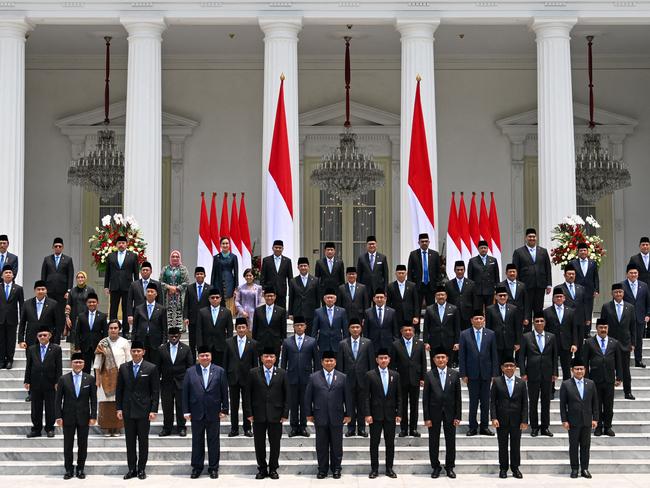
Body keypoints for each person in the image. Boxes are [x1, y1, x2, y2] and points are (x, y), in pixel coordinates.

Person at [182, 345, 229, 479]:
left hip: (214, 412)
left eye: (207, 355)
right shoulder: (190, 372)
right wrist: (186, 411)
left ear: (211, 356)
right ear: (198, 357)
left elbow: (224, 391)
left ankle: (213, 468)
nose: (204, 357)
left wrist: (225, 409)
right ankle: (197, 468)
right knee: (197, 440)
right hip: (196, 412)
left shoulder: (219, 371)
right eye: (202, 355)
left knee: (213, 441)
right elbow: (185, 392)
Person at [244, 347, 290, 480]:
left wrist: (285, 413)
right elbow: (247, 395)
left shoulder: (282, 373)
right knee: (259, 443)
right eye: (266, 356)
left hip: (276, 415)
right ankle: (262, 469)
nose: (269, 359)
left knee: (275, 443)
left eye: (271, 356)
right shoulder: (253, 373)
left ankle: (273, 468)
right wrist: (248, 413)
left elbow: (287, 395)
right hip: (258, 414)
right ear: (261, 358)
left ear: (275, 359)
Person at [116, 340, 160, 480]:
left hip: (144, 410)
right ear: (130, 352)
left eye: (138, 351)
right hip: (128, 409)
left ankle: (141, 469)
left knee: (143, 441)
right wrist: (119, 408)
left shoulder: (151, 368)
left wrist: (153, 410)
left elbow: (155, 391)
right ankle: (131, 469)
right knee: (129, 441)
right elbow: (119, 390)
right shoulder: (123, 368)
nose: (136, 353)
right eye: (133, 351)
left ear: (143, 352)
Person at [304, 350, 351, 479]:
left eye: (331, 360)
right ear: (322, 362)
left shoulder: (342, 377)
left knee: (337, 445)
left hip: (337, 416)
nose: (329, 363)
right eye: (326, 360)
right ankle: (322, 469)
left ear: (335, 362)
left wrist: (349, 414)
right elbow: (308, 397)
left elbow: (347, 397)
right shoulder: (314, 377)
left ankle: (336, 469)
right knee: (321, 445)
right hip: (320, 416)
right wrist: (308, 413)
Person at [55, 352, 97, 479]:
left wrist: (93, 416)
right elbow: (58, 400)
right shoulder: (63, 379)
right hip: (68, 417)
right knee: (68, 444)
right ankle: (68, 469)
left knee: (82, 444)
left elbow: (93, 399)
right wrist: (58, 416)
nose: (78, 364)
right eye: (75, 362)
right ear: (71, 364)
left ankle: (80, 468)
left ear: (84, 364)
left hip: (84, 417)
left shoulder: (89, 379)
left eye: (80, 362)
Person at [459, 309, 499, 436]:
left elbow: (494, 355)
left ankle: (484, 426)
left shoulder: (491, 334)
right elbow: (462, 355)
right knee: (473, 401)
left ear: (484, 320)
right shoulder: (465, 334)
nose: (478, 321)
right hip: (472, 374)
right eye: (476, 319)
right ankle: (472, 427)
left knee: (485, 402)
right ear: (471, 320)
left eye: (480, 319)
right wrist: (463, 374)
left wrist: (495, 374)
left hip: (486, 373)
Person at [423, 347, 461, 479]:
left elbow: (458, 397)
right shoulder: (429, 375)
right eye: (438, 357)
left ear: (447, 359)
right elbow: (426, 398)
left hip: (450, 414)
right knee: (433, 441)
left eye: (443, 357)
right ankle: (436, 467)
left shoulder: (455, 374)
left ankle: (450, 467)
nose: (440, 360)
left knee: (451, 441)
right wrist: (426, 417)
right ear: (433, 360)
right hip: (434, 414)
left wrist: (458, 416)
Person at [363, 348, 401, 479]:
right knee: (374, 443)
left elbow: (399, 396)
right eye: (381, 358)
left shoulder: (395, 375)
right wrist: (367, 414)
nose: (383, 360)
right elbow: (366, 397)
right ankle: (374, 469)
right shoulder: (370, 375)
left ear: (389, 360)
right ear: (377, 360)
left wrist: (399, 413)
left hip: (390, 415)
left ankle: (389, 468)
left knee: (390, 443)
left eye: (386, 358)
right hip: (375, 415)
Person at [19, 280, 60, 401]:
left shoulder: (53, 304)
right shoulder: (27, 304)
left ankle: (49, 391)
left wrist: (55, 341)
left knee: (48, 366)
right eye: (38, 289)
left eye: (43, 289)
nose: (41, 291)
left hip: (48, 340)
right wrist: (21, 339)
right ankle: (32, 392)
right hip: (31, 339)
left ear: (46, 290)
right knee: (32, 366)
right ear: (35, 290)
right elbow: (22, 323)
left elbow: (57, 324)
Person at [519, 312, 558, 437]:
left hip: (547, 374)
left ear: (545, 323)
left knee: (546, 402)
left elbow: (554, 356)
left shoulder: (551, 337)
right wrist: (523, 372)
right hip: (532, 374)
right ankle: (534, 427)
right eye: (537, 321)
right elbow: (521, 356)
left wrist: (555, 373)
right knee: (533, 402)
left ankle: (545, 427)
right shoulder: (526, 337)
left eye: (541, 321)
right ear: (533, 323)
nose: (539, 323)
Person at [560, 357, 598, 479]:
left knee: (586, 446)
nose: (579, 371)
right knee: (574, 445)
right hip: (573, 421)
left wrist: (595, 419)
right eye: (577, 369)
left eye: (581, 369)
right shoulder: (566, 384)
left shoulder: (591, 384)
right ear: (572, 370)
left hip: (587, 420)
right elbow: (562, 404)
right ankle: (575, 468)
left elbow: (595, 403)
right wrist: (564, 420)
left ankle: (585, 469)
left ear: (585, 370)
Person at [490, 356, 528, 479]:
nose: (509, 368)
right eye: (506, 366)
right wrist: (494, 418)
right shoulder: (497, 381)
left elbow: (525, 403)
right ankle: (503, 468)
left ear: (515, 367)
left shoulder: (521, 382)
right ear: (502, 368)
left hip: (517, 420)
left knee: (516, 445)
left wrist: (524, 420)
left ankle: (515, 468)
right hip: (501, 419)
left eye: (511, 365)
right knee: (502, 445)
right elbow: (492, 402)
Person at [281, 316, 319, 437]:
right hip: (291, 377)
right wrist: (282, 376)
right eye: (297, 325)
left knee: (304, 402)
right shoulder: (287, 342)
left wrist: (317, 376)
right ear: (293, 327)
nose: (299, 327)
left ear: (305, 326)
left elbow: (316, 361)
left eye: (301, 325)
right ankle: (293, 427)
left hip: (306, 377)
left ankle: (303, 426)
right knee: (293, 403)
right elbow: (283, 362)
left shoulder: (312, 341)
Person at [583, 319, 621, 436]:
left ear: (608, 328)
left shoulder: (614, 343)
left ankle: (608, 427)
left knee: (609, 405)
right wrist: (587, 379)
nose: (603, 330)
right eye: (601, 328)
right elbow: (585, 362)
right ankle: (598, 427)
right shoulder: (589, 342)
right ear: (597, 328)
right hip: (595, 380)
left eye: (605, 328)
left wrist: (619, 376)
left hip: (609, 380)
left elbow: (619, 361)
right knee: (597, 405)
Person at [337, 317, 374, 437]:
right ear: (349, 329)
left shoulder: (367, 343)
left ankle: (362, 428)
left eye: (357, 327)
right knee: (350, 404)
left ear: (361, 328)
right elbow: (340, 363)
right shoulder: (343, 344)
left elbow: (370, 363)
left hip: (363, 379)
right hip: (348, 379)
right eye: (353, 327)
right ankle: (351, 428)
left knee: (362, 404)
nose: (355, 329)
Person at [94, 319, 131, 436]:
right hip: (105, 378)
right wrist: (97, 378)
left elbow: (128, 360)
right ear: (108, 329)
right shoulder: (103, 343)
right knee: (106, 403)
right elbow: (97, 362)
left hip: (120, 377)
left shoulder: (124, 342)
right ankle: (107, 427)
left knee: (118, 402)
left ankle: (117, 428)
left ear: (119, 329)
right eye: (111, 328)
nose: (113, 330)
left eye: (115, 328)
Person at [25, 325, 62, 437]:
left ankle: (50, 428)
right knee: (36, 408)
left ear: (49, 336)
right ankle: (36, 429)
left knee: (50, 407)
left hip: (50, 383)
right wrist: (27, 381)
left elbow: (58, 367)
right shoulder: (32, 349)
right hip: (35, 383)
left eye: (44, 335)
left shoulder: (56, 349)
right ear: (37, 337)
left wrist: (57, 381)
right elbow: (29, 366)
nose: (42, 337)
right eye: (40, 335)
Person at [600, 283, 636, 399]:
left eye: (620, 292)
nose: (618, 294)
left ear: (623, 293)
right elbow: (602, 325)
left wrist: (633, 343)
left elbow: (633, 327)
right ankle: (609, 392)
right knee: (610, 368)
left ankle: (628, 392)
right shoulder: (606, 307)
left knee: (626, 369)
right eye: (616, 292)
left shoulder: (630, 307)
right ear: (612, 293)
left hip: (625, 343)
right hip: (610, 343)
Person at [223, 317, 258, 437]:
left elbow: (255, 364)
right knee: (234, 405)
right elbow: (225, 362)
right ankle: (234, 429)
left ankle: (247, 428)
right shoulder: (228, 342)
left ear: (247, 328)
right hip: (233, 378)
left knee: (247, 405)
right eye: (239, 328)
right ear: (235, 329)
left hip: (248, 379)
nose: (241, 329)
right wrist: (225, 377)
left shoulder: (253, 344)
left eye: (243, 327)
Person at [158, 326, 194, 437]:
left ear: (180, 336)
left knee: (181, 406)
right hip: (166, 382)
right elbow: (158, 367)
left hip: (181, 382)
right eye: (171, 336)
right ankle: (167, 428)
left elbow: (190, 367)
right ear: (168, 336)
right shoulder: (162, 349)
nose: (174, 337)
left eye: (176, 335)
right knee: (167, 406)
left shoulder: (186, 349)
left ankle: (182, 427)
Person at [392, 323, 426, 437]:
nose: (408, 332)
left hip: (415, 379)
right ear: (401, 331)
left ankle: (413, 429)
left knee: (414, 405)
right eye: (405, 330)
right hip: (401, 379)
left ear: (413, 331)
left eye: (410, 330)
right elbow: (393, 364)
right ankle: (403, 429)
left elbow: (423, 362)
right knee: (402, 405)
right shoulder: (396, 344)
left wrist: (423, 377)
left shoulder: (420, 344)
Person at [544, 286, 579, 387]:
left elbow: (574, 329)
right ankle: (551, 390)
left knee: (566, 368)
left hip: (566, 344)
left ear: (564, 298)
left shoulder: (571, 312)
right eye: (556, 297)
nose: (559, 298)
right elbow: (545, 330)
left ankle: (568, 390)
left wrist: (574, 343)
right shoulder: (547, 312)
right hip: (552, 344)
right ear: (553, 298)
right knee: (551, 368)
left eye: (560, 296)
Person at [511, 228, 552, 316]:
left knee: (539, 310)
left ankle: (538, 329)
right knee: (526, 310)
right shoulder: (518, 252)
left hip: (540, 285)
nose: (532, 238)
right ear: (526, 238)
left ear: (536, 237)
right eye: (530, 236)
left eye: (533, 236)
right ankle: (527, 329)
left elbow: (547, 268)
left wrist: (549, 284)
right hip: (525, 286)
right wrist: (517, 285)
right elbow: (515, 269)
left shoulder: (543, 251)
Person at [41, 237, 74, 344]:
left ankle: (59, 333)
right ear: (53, 247)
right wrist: (43, 289)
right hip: (50, 291)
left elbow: (70, 275)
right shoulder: (47, 259)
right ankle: (50, 332)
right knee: (49, 312)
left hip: (62, 291)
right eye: (56, 246)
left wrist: (68, 290)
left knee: (60, 313)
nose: (58, 248)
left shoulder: (68, 260)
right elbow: (43, 275)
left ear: (62, 247)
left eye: (60, 246)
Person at [104, 235, 140, 321]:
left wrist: (137, 286)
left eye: (123, 243)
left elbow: (136, 273)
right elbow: (107, 272)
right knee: (113, 309)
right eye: (119, 243)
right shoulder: (111, 256)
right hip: (114, 286)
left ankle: (126, 331)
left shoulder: (133, 256)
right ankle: (113, 327)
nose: (121, 245)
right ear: (116, 245)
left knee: (126, 309)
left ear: (127, 244)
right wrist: (106, 286)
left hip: (128, 287)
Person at [622, 263, 650, 367]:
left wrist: (648, 314)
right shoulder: (622, 285)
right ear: (627, 274)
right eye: (631, 273)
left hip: (640, 317)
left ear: (638, 274)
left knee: (639, 340)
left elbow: (648, 302)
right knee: (626, 339)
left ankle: (638, 360)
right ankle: (626, 361)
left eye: (635, 273)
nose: (633, 275)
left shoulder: (644, 285)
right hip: (626, 318)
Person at [132, 282, 167, 365]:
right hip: (142, 340)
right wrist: (134, 341)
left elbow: (164, 327)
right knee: (143, 365)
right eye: (148, 291)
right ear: (145, 294)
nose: (150, 293)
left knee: (155, 364)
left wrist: (164, 342)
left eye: (152, 292)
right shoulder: (138, 308)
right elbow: (135, 326)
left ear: (156, 294)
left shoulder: (161, 309)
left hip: (156, 341)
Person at [423, 285, 461, 363]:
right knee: (434, 366)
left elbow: (457, 327)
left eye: (442, 295)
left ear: (446, 296)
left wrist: (457, 342)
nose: (441, 297)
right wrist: (426, 342)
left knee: (449, 365)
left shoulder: (453, 309)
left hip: (449, 342)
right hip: (434, 342)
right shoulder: (429, 309)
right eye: (438, 295)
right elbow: (426, 327)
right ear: (435, 296)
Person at [569, 242, 600, 337]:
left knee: (588, 311)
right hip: (577, 291)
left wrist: (597, 290)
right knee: (577, 310)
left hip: (589, 291)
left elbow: (596, 277)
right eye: (581, 250)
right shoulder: (573, 263)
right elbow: (570, 277)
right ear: (578, 252)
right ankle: (578, 331)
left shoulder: (593, 263)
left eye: (585, 250)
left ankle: (587, 332)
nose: (583, 252)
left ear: (588, 252)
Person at [196, 288, 233, 366]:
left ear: (220, 299)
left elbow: (230, 331)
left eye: (217, 297)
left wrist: (229, 346)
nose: (215, 299)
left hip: (221, 346)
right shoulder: (202, 312)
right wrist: (200, 347)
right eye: (212, 297)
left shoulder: (227, 312)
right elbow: (199, 331)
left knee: (220, 369)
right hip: (206, 346)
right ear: (209, 299)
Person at [126, 261, 162, 339]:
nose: (145, 271)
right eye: (143, 270)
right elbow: (129, 301)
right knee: (139, 336)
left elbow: (160, 300)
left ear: (151, 271)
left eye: (147, 270)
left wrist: (160, 314)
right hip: (138, 314)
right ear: (140, 271)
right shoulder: (134, 284)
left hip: (153, 314)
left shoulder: (157, 284)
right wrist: (129, 315)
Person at [485, 286, 521, 364]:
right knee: (497, 365)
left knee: (508, 365)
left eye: (504, 295)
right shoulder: (490, 309)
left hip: (509, 342)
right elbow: (488, 327)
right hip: (496, 342)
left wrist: (517, 342)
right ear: (496, 296)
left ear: (507, 296)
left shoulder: (513, 309)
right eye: (500, 295)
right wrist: (489, 342)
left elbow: (517, 326)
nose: (502, 297)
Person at [74, 292, 108, 372]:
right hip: (84, 347)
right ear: (86, 303)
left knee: (98, 370)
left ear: (97, 303)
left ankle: (97, 385)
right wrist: (77, 347)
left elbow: (105, 333)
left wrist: (104, 346)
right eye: (89, 302)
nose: (92, 304)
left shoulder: (102, 316)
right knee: (85, 370)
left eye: (94, 302)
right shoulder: (81, 316)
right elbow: (77, 333)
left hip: (98, 347)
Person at [183, 266, 211, 358]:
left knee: (203, 340)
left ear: (205, 275)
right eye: (198, 274)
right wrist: (186, 317)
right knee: (192, 341)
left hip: (205, 320)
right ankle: (192, 361)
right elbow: (186, 304)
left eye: (201, 274)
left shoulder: (210, 288)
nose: (199, 275)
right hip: (193, 320)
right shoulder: (190, 288)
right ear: (195, 275)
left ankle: (203, 358)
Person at [159, 249, 190, 332]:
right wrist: (169, 287)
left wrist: (177, 288)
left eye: (177, 256)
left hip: (179, 296)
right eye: (173, 256)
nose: (175, 258)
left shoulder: (183, 269)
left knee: (180, 310)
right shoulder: (165, 269)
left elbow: (187, 282)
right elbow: (160, 282)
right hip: (167, 296)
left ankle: (180, 328)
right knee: (167, 311)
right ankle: (168, 328)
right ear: (170, 258)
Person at [252, 287, 286, 360]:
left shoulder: (281, 311)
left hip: (275, 343)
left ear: (275, 297)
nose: (269, 298)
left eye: (271, 296)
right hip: (261, 343)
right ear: (264, 296)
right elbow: (255, 328)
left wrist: (282, 342)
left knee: (275, 365)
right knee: (262, 365)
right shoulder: (258, 311)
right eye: (267, 296)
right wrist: (254, 342)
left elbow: (283, 328)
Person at [407, 233, 441, 308]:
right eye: (422, 241)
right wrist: (410, 286)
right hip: (418, 286)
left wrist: (437, 285)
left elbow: (438, 272)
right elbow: (409, 272)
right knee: (417, 307)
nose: (424, 243)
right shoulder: (413, 254)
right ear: (418, 242)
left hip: (431, 286)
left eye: (426, 241)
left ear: (429, 242)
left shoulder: (435, 254)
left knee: (432, 309)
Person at [288, 257, 320, 336]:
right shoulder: (293, 281)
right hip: (298, 312)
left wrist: (318, 312)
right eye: (301, 266)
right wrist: (290, 313)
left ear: (308, 267)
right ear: (298, 267)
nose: (303, 268)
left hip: (311, 312)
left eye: (305, 266)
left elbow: (317, 298)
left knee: (311, 335)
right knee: (298, 334)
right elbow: (291, 298)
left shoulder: (315, 280)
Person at [0, 265, 23, 369]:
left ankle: (9, 360)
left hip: (12, 319)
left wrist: (23, 318)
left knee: (11, 340)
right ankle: (1, 360)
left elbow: (22, 304)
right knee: (1, 340)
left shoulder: (18, 288)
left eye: (10, 273)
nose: (8, 274)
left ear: (13, 275)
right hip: (0, 318)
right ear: (2, 275)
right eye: (6, 273)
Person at [387, 264, 420, 336]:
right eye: (399, 273)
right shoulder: (390, 286)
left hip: (409, 316)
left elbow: (416, 302)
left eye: (403, 273)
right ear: (395, 274)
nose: (401, 275)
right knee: (397, 335)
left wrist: (416, 316)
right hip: (396, 315)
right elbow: (388, 303)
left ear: (406, 273)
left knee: (409, 335)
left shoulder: (412, 285)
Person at [312, 288, 348, 354]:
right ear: (324, 299)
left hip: (337, 344)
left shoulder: (342, 311)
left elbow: (345, 329)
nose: (329, 299)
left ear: (335, 299)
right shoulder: (318, 312)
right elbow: (314, 330)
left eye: (331, 298)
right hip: (323, 345)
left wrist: (346, 344)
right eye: (328, 298)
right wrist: (314, 344)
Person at [560, 263, 589, 342]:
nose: (571, 276)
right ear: (565, 275)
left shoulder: (581, 288)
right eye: (569, 274)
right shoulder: (559, 289)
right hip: (566, 320)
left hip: (579, 320)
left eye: (573, 274)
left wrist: (587, 318)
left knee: (579, 344)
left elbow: (585, 304)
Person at [445, 260, 478, 331]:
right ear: (454, 270)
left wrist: (474, 315)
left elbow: (475, 300)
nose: (460, 271)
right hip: (453, 314)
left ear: (464, 270)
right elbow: (447, 301)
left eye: (461, 270)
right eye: (458, 270)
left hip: (468, 314)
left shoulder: (471, 284)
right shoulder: (448, 284)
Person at [259, 240, 292, 310]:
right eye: (276, 247)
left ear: (283, 249)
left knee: (281, 310)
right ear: (272, 248)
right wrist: (262, 289)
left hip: (282, 290)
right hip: (269, 290)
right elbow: (263, 276)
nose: (278, 249)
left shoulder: (287, 261)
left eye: (280, 248)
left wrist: (291, 290)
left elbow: (290, 277)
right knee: (269, 309)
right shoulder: (266, 260)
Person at [65, 271, 96, 345]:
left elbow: (94, 304)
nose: (80, 279)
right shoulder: (72, 290)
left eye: (82, 277)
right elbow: (68, 305)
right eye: (78, 277)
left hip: (87, 317)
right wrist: (67, 317)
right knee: (73, 344)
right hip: (74, 318)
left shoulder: (90, 290)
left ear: (85, 278)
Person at [468, 240, 500, 309]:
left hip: (490, 291)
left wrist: (497, 289)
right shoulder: (472, 261)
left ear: (487, 249)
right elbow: (470, 277)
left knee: (490, 310)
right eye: (481, 248)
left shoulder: (493, 260)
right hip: (477, 291)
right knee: (478, 311)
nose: (483, 249)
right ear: (478, 249)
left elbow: (497, 276)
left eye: (485, 248)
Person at [500, 263, 531, 334]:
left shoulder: (522, 285)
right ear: (506, 273)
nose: (512, 273)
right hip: (506, 315)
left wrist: (526, 317)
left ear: (516, 273)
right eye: (510, 272)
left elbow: (526, 302)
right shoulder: (501, 285)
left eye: (514, 271)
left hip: (520, 316)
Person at [211, 237, 239, 315]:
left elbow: (236, 272)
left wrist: (236, 287)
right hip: (218, 283)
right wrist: (212, 286)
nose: (225, 245)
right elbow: (213, 272)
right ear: (220, 245)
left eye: (227, 243)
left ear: (229, 245)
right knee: (218, 302)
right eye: (223, 243)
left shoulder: (233, 257)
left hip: (229, 283)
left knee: (229, 306)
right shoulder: (216, 257)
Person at [363, 288, 398, 352]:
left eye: (381, 297)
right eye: (377, 297)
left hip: (388, 344)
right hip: (373, 345)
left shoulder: (392, 312)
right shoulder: (368, 312)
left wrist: (394, 342)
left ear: (385, 299)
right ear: (374, 299)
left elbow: (395, 330)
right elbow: (366, 331)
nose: (379, 299)